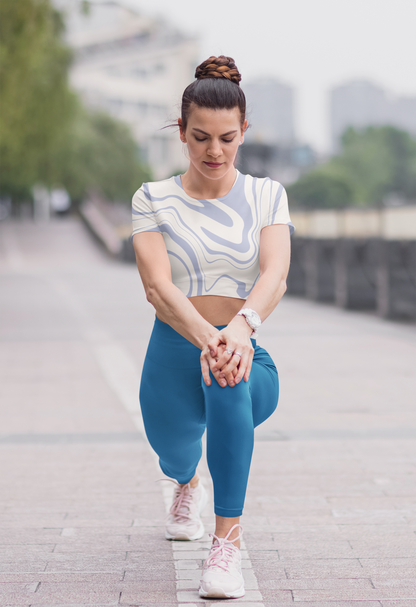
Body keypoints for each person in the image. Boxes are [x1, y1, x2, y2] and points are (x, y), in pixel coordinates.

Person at [132, 55, 294, 600]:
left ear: (244, 131)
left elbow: (276, 273)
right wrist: (211, 337)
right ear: (181, 131)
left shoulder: (268, 195)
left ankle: (226, 542)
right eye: (200, 137)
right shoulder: (151, 200)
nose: (214, 151)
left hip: (245, 351)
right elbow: (157, 288)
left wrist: (240, 331)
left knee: (227, 377)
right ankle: (185, 482)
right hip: (173, 354)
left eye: (227, 137)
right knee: (172, 449)